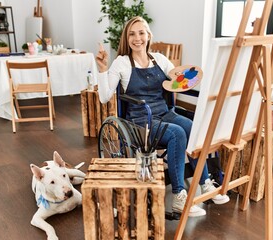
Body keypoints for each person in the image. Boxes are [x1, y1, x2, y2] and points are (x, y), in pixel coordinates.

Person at [95, 16, 229, 217]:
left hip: (164, 113)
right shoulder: (121, 63)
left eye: (141, 33)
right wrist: (103, 70)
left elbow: (177, 81)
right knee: (176, 134)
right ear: (126, 37)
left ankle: (205, 184)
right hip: (141, 121)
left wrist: (196, 79)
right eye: (132, 33)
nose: (137, 38)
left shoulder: (160, 59)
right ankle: (178, 197)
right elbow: (105, 97)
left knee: (192, 127)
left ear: (149, 35)